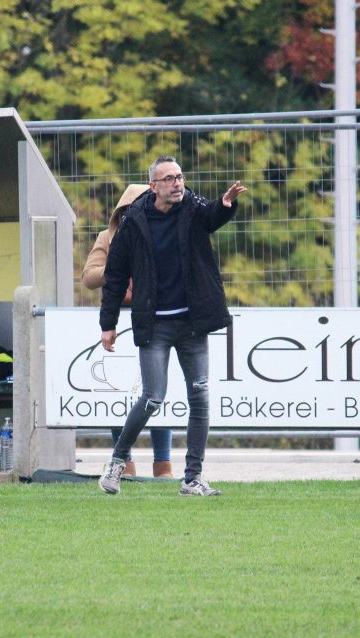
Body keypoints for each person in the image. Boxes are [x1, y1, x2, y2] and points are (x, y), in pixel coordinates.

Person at [97, 156, 246, 496]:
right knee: (152, 398)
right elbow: (115, 276)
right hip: (155, 325)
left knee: (200, 396)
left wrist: (225, 205)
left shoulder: (192, 206)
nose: (178, 183)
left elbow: (211, 218)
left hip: (192, 323)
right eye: (169, 179)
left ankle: (192, 478)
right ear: (154, 186)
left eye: (180, 177)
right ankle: (116, 464)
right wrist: (108, 323)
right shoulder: (133, 221)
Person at [81, 183, 174, 478]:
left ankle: (164, 463)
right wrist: (117, 270)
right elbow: (88, 277)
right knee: (118, 393)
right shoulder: (107, 238)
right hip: (120, 324)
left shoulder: (164, 233)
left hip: (155, 319)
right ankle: (126, 462)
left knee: (156, 392)